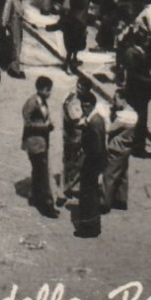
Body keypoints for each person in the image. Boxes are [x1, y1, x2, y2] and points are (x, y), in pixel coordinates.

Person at [22, 76, 57, 216]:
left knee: (37, 171)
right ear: (40, 89)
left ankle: (34, 197)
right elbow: (28, 123)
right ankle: (46, 206)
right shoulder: (32, 102)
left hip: (42, 142)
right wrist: (44, 127)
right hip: (35, 143)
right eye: (48, 90)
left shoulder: (42, 101)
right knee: (43, 174)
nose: (50, 93)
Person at [75, 92, 106, 237]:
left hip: (91, 164)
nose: (83, 108)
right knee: (90, 196)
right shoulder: (95, 119)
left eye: (86, 106)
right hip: (94, 163)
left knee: (88, 197)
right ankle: (91, 226)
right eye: (82, 105)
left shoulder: (94, 123)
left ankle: (88, 228)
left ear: (92, 105)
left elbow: (97, 148)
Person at [103, 89, 139, 211]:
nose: (113, 101)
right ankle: (120, 200)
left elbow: (109, 129)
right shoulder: (133, 114)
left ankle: (105, 203)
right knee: (122, 174)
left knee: (109, 175)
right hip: (126, 148)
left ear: (123, 99)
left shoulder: (123, 116)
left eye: (115, 99)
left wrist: (107, 115)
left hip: (116, 148)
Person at [57, 78, 89, 208]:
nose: (80, 89)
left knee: (73, 163)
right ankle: (63, 192)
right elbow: (77, 120)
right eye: (80, 87)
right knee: (70, 163)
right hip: (73, 136)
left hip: (71, 135)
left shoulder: (70, 96)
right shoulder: (74, 101)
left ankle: (70, 188)